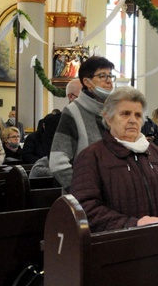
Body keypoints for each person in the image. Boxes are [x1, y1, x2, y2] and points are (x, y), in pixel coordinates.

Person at [70, 87, 158, 232]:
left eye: (138, 115)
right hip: (119, 244)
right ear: (108, 118)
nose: (132, 120)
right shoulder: (92, 156)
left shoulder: (156, 152)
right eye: (125, 114)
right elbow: (85, 206)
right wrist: (132, 224)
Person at [50, 56, 116, 191]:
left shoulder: (116, 111)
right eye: (103, 76)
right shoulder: (73, 112)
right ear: (87, 81)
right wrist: (84, 189)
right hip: (85, 199)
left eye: (110, 76)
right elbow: (57, 162)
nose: (109, 81)